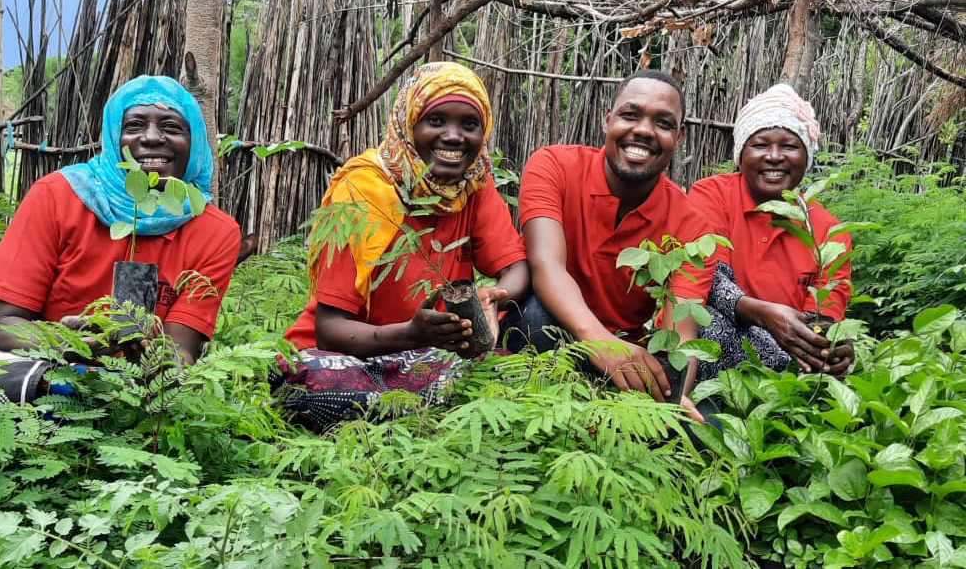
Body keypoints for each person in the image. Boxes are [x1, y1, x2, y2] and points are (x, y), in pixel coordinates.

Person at [278, 61, 529, 429]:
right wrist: (412, 334)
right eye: (437, 121)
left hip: (431, 355)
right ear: (409, 125)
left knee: (523, 378)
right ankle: (421, 412)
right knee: (322, 389)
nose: (454, 137)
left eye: (469, 124)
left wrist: (496, 294)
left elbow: (517, 266)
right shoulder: (362, 190)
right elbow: (330, 330)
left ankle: (416, 410)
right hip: (344, 356)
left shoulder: (473, 184)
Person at [0, 75, 241, 378]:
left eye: (171, 127)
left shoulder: (215, 232)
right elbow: (4, 326)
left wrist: (155, 364)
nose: (151, 137)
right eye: (134, 125)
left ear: (196, 143)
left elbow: (181, 347)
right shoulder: (57, 196)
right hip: (5, 362)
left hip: (122, 382)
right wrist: (71, 344)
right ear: (112, 138)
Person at [510, 69, 714, 421]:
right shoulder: (553, 166)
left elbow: (679, 331)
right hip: (555, 333)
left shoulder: (692, 223)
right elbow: (546, 265)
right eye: (630, 115)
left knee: (700, 422)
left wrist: (672, 395)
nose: (644, 131)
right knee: (534, 317)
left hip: (626, 358)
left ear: (679, 138)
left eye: (663, 123)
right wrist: (598, 341)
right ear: (608, 120)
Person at [688, 83, 853, 381]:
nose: (774, 156)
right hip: (721, 339)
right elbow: (706, 280)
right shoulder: (712, 195)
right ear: (741, 155)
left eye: (789, 146)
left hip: (790, 354)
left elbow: (824, 315)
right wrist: (767, 317)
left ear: (807, 157)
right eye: (760, 145)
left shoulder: (829, 230)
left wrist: (830, 345)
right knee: (705, 324)